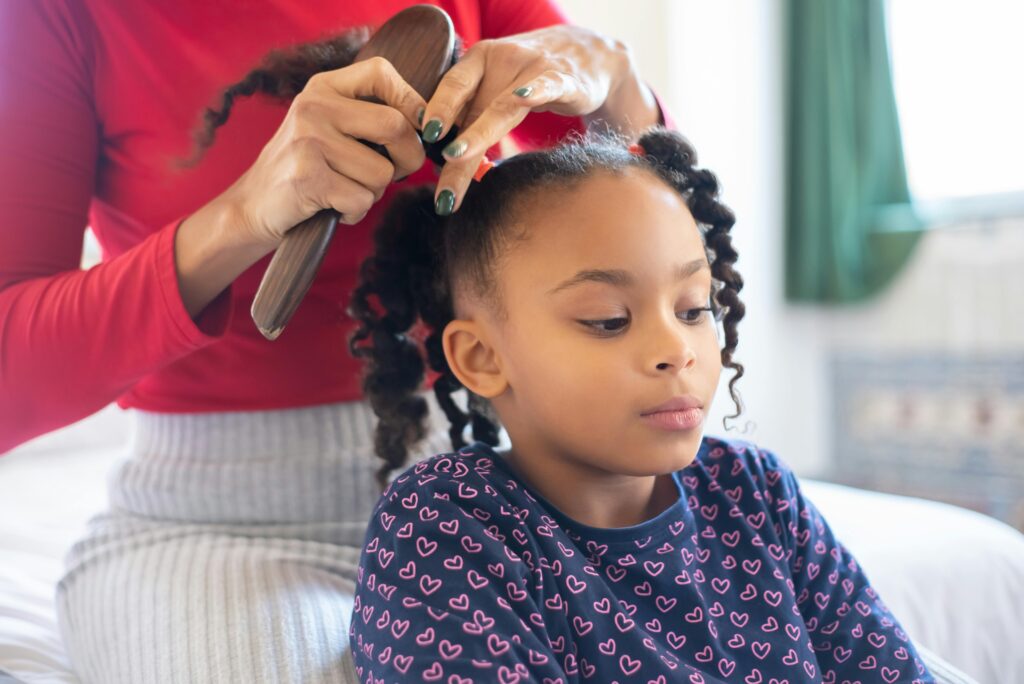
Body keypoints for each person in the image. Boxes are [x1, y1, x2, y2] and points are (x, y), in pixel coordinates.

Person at [0, 1, 669, 682]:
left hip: (497, 500)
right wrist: (241, 215)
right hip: (223, 535)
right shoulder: (61, 15)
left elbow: (687, 267)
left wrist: (619, 86)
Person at [345, 128, 936, 683]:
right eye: (609, 319)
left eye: (693, 309)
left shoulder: (755, 492)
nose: (676, 351)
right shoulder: (447, 525)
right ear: (481, 358)